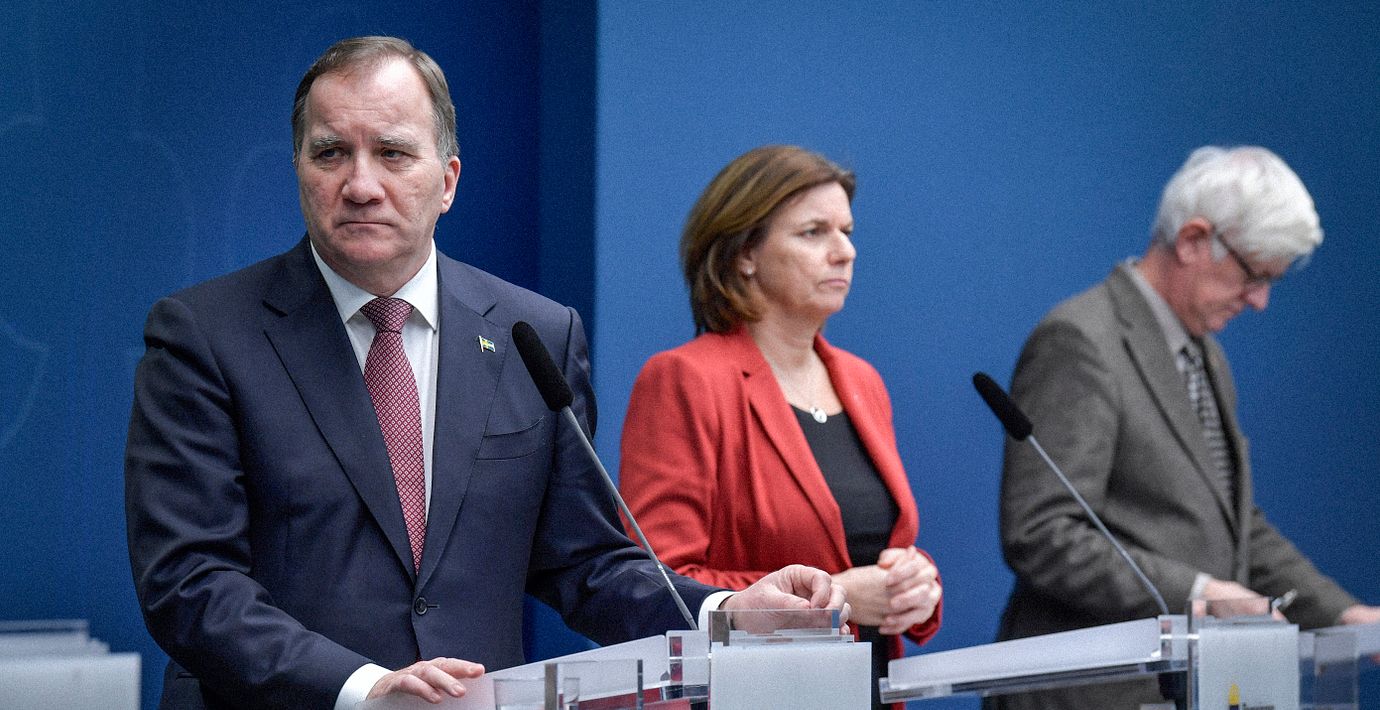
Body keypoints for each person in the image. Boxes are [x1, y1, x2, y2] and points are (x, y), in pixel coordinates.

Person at [124, 37, 845, 710]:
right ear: (299, 170)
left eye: (393, 153)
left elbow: (587, 562)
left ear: (448, 181)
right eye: (331, 153)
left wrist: (725, 612)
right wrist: (366, 689)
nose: (361, 184)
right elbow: (190, 582)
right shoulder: (206, 336)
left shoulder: (535, 335)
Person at [991, 146, 1380, 710]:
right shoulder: (1081, 340)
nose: (1260, 301)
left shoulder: (1204, 355)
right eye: (1253, 275)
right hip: (1091, 692)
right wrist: (1198, 594)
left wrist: (1343, 615)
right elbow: (1042, 532)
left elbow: (1234, 527)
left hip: (1190, 688)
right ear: (1194, 239)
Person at [618, 145, 943, 710]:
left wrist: (914, 586)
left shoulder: (862, 381)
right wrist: (836, 596)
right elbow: (659, 582)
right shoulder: (685, 379)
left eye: (847, 231)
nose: (844, 251)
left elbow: (874, 545)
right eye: (814, 233)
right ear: (746, 253)